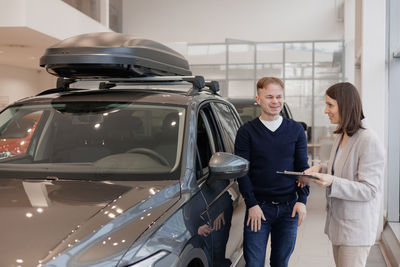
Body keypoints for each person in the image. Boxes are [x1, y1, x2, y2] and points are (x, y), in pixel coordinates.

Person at [304, 82, 385, 267]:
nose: (326, 110)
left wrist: (332, 181)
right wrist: (321, 169)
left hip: (356, 230)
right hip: (339, 225)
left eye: (330, 105)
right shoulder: (342, 135)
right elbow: (341, 168)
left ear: (346, 105)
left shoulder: (368, 140)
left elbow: (369, 189)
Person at [234, 77, 309, 267]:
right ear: (258, 99)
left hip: (288, 209)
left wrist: (302, 200)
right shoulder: (246, 132)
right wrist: (251, 204)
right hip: (258, 208)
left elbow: (302, 167)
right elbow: (242, 172)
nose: (275, 101)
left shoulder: (296, 130)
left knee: (280, 262)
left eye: (279, 97)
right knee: (254, 263)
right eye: (269, 97)